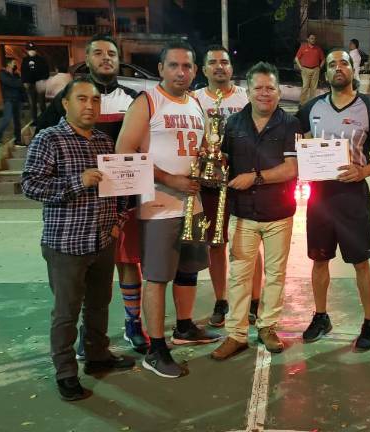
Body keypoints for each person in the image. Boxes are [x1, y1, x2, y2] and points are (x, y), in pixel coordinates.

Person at [22, 77, 135, 401]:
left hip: (102, 240)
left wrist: (116, 222)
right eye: (82, 99)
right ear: (66, 104)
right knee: (66, 312)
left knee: (99, 305)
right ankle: (66, 373)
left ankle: (97, 355)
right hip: (65, 244)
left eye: (95, 100)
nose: (90, 106)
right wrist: (77, 181)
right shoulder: (49, 139)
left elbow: (118, 188)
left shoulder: (102, 141)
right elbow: (30, 185)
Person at [37, 35, 147, 358]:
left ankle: (132, 323)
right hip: (78, 210)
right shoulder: (71, 99)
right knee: (78, 286)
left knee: (128, 263)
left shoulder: (134, 99)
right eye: (98, 53)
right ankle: (79, 350)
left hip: (121, 201)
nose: (106, 58)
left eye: (111, 53)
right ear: (87, 60)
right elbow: (42, 147)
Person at [116, 40, 221, 379]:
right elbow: (124, 152)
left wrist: (212, 165)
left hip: (193, 203)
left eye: (187, 66)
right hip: (159, 206)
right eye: (174, 65)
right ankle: (156, 348)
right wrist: (168, 179)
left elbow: (201, 148)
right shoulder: (147, 102)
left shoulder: (195, 103)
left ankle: (185, 327)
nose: (181, 71)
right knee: (158, 277)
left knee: (189, 270)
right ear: (160, 69)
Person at [297, 48, 370, 352]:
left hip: (352, 195)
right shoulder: (310, 108)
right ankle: (321, 315)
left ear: (353, 69)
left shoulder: (366, 107)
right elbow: (296, 144)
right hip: (320, 196)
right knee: (319, 259)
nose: (337, 68)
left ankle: (369, 322)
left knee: (361, 262)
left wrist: (363, 171)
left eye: (343, 63)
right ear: (325, 73)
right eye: (331, 64)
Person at [211, 62, 300, 360]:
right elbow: (221, 161)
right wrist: (210, 163)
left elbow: (291, 168)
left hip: (279, 214)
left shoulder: (290, 124)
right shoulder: (233, 124)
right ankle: (235, 334)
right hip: (242, 213)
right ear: (247, 91)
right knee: (238, 275)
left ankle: (267, 327)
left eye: (270, 88)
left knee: (275, 274)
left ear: (279, 91)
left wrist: (256, 177)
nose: (264, 93)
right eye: (258, 88)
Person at [192, 45, 264, 328]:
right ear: (204, 68)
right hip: (209, 183)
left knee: (249, 243)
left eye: (224, 62)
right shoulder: (194, 100)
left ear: (232, 69)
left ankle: (255, 299)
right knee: (215, 244)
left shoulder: (247, 98)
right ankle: (221, 299)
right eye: (213, 62)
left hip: (243, 181)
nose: (219, 67)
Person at [0, 57, 24, 146]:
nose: (15, 64)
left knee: (17, 121)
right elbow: (12, 83)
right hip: (9, 100)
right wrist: (21, 82)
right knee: (6, 119)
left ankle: (18, 141)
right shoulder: (2, 74)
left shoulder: (16, 75)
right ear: (8, 64)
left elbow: (20, 85)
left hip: (17, 100)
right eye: (13, 63)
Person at [22, 42, 50, 123]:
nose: (31, 51)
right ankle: (35, 120)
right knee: (32, 104)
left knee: (42, 104)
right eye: (30, 50)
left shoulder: (41, 60)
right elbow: (23, 72)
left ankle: (45, 120)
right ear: (27, 50)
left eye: (33, 49)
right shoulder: (25, 60)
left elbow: (46, 71)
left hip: (40, 83)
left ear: (36, 50)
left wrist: (44, 79)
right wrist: (24, 82)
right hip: (30, 85)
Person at [295, 34, 325, 105]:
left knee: (313, 88)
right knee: (305, 86)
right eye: (311, 38)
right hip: (305, 69)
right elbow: (296, 58)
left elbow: (323, 59)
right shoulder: (303, 47)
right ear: (307, 39)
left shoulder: (318, 48)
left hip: (315, 70)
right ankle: (302, 103)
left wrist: (319, 68)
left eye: (314, 39)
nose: (313, 40)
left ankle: (311, 103)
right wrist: (300, 67)